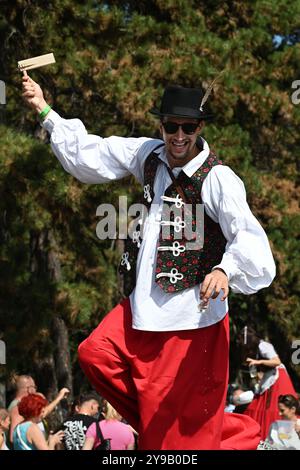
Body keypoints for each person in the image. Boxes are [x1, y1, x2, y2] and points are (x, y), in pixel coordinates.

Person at [22, 74, 276, 450]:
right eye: (171, 126)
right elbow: (93, 153)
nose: (178, 135)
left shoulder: (219, 178)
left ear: (199, 128)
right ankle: (201, 427)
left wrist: (226, 269)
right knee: (94, 353)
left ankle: (196, 431)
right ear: (161, 125)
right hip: (143, 309)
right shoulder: (150, 155)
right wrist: (44, 110)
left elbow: (250, 240)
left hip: (192, 323)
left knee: (171, 444)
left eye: (187, 127)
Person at [241, 327, 297, 440]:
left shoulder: (263, 346)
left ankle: (276, 437)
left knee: (274, 408)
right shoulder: (255, 348)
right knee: (257, 406)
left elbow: (277, 361)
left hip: (276, 378)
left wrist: (258, 362)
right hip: (268, 378)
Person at [8, 373, 70, 443]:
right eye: (34, 387)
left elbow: (42, 413)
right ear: (29, 389)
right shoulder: (17, 407)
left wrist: (59, 397)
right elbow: (13, 438)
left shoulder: (22, 405)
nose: (35, 390)